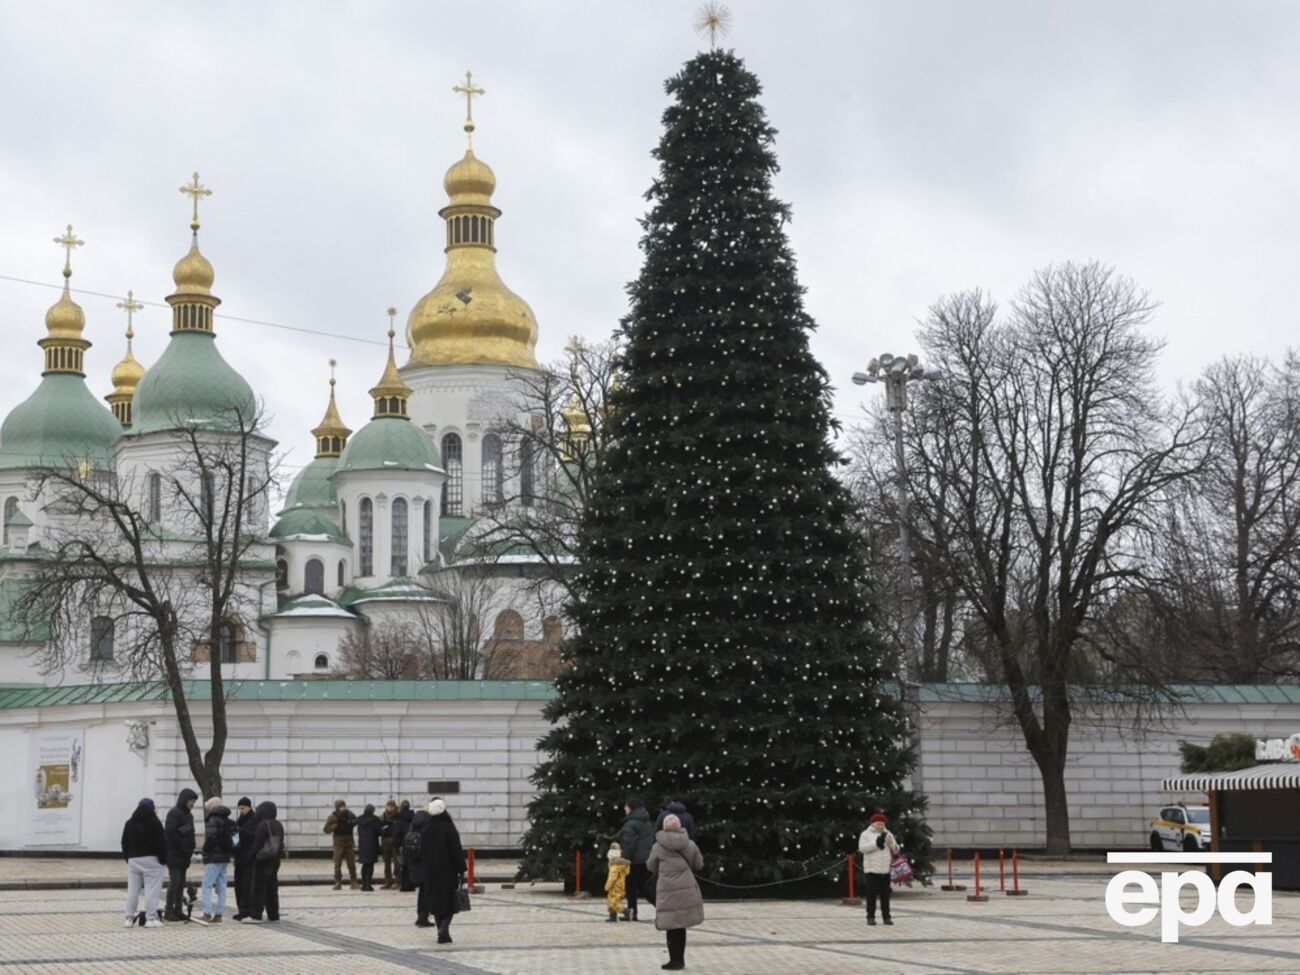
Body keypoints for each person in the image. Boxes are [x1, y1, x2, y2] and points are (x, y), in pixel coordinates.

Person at [647, 813, 704, 971]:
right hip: (686, 889)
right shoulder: (690, 844)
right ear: (679, 826)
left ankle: (673, 961)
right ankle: (681, 960)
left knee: (671, 926)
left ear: (664, 827)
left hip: (667, 890)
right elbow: (699, 864)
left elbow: (651, 866)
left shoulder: (658, 846)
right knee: (681, 926)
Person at [420, 798, 467, 944]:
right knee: (450, 902)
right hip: (447, 871)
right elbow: (456, 850)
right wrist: (461, 869)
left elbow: (422, 852)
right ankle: (444, 928)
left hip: (430, 872)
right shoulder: (448, 827)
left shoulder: (426, 829)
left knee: (435, 903)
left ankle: (441, 932)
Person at [121, 797, 167, 927]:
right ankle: (151, 918)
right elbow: (161, 844)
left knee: (132, 890)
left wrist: (128, 858)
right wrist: (163, 860)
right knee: (152, 890)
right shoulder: (155, 822)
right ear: (152, 808)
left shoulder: (129, 823)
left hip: (133, 860)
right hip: (152, 860)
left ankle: (128, 918)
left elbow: (124, 843)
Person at [162, 788, 198, 922]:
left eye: (194, 801)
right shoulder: (174, 813)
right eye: (191, 801)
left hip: (184, 855)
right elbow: (170, 834)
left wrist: (191, 847)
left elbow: (191, 833)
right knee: (175, 882)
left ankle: (178, 910)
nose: (192, 804)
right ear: (184, 800)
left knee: (181, 883)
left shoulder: (189, 816)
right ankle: (168, 910)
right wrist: (182, 846)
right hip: (174, 854)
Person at [247, 800, 286, 923]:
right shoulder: (278, 824)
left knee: (259, 887)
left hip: (263, 860)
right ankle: (274, 915)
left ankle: (256, 915)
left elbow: (257, 844)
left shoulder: (263, 825)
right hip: (275, 859)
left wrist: (250, 857)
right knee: (272, 888)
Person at [858, 812, 900, 926]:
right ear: (873, 824)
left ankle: (886, 917)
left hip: (885, 870)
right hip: (872, 870)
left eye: (882, 824)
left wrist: (892, 844)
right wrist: (876, 843)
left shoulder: (888, 833)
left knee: (885, 895)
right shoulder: (865, 834)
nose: (880, 826)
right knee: (871, 895)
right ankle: (870, 917)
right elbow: (862, 848)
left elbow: (896, 850)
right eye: (878, 824)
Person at [618, 797, 655, 921]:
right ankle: (662, 908)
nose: (624, 809)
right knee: (644, 886)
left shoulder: (631, 824)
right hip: (647, 858)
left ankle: (632, 912)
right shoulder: (647, 822)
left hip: (634, 860)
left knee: (631, 886)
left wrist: (624, 859)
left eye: (626, 806)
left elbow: (629, 844)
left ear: (631, 808)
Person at [199, 797, 235, 923]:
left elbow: (211, 838)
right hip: (224, 857)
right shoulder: (228, 820)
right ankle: (219, 914)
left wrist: (205, 851)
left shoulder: (213, 819)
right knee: (222, 887)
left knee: (207, 885)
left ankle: (207, 913)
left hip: (213, 857)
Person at [231, 797, 259, 920]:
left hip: (249, 857)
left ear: (249, 807)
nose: (241, 811)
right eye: (240, 808)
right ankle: (241, 909)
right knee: (239, 885)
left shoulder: (255, 819)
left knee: (247, 885)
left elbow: (254, 836)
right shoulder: (240, 819)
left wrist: (240, 831)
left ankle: (247, 910)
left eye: (243, 808)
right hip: (239, 856)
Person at [323, 798, 359, 890]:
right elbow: (326, 829)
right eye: (340, 806)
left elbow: (356, 821)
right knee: (337, 864)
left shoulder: (349, 814)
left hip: (349, 842)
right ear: (337, 807)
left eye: (343, 806)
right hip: (338, 843)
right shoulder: (333, 817)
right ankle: (338, 882)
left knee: (351, 864)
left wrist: (352, 823)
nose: (343, 808)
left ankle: (353, 881)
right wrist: (334, 826)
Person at [407, 802, 433, 924]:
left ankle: (420, 916)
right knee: (427, 891)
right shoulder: (429, 824)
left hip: (415, 862)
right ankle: (424, 917)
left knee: (422, 891)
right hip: (426, 862)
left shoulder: (413, 823)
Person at [356, 803, 383, 892]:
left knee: (364, 864)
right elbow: (379, 832)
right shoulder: (374, 820)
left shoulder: (359, 820)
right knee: (370, 865)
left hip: (362, 845)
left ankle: (363, 884)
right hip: (372, 845)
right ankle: (368, 885)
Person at [391, 800, 416, 892]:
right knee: (411, 865)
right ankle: (412, 885)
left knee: (403, 866)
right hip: (413, 844)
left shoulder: (399, 819)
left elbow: (397, 833)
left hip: (403, 845)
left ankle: (404, 885)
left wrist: (395, 845)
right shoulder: (413, 817)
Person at [605, 841, 631, 922]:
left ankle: (627, 911)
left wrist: (607, 886)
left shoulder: (615, 865)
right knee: (615, 900)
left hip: (614, 886)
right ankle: (612, 916)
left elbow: (612, 877)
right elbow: (627, 873)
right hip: (621, 885)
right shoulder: (623, 864)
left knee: (613, 902)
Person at [380, 799, 399, 889]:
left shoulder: (398, 816)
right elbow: (379, 829)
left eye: (392, 806)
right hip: (385, 842)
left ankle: (398, 881)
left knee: (397, 863)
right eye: (389, 806)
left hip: (395, 843)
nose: (390, 808)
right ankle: (388, 881)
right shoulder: (382, 817)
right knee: (386, 864)